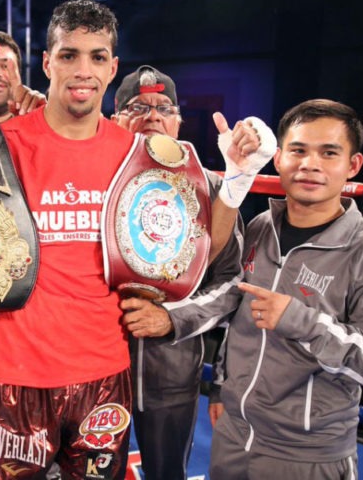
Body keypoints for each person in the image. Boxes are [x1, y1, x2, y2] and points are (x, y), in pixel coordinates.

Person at [0, 0, 272, 479]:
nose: (83, 71)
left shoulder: (141, 155)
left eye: (97, 56)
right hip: (10, 372)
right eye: (69, 55)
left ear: (112, 67)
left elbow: (197, 253)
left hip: (103, 374)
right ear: (47, 63)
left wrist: (237, 180)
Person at [207, 99, 363, 480]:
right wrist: (221, 386)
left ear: (353, 165)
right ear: (278, 159)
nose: (310, 164)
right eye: (298, 151)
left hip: (308, 453)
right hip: (233, 436)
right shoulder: (261, 227)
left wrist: (304, 323)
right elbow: (238, 318)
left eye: (329, 153)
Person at [112, 65, 273, 480]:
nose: (152, 115)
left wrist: (172, 318)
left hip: (173, 365)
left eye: (164, 107)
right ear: (114, 119)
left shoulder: (211, 188)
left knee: (168, 473)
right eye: (138, 107)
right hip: (97, 366)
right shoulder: (93, 184)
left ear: (179, 120)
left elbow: (231, 282)